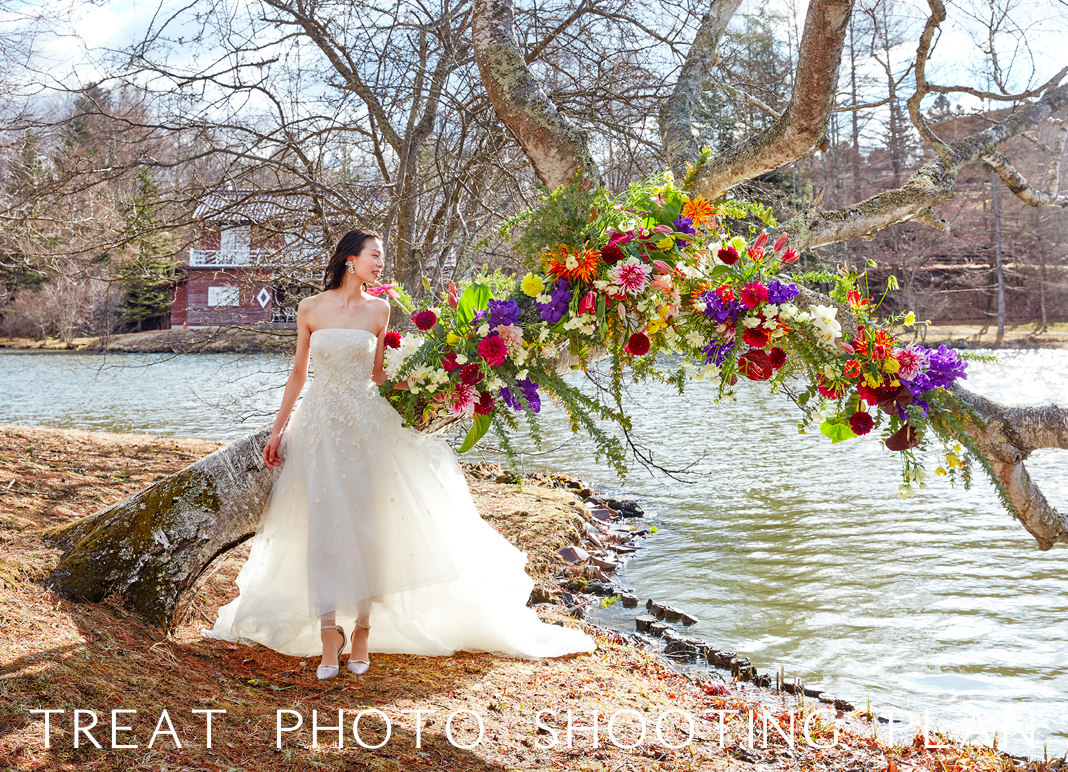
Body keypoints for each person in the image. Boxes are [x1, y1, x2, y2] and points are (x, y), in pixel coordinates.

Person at [202, 229, 596, 679]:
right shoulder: (310, 308)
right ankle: (330, 632)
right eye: (375, 255)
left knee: (369, 523)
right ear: (351, 259)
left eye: (383, 256)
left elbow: (379, 377)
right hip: (319, 426)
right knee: (322, 524)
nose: (381, 263)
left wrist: (439, 381)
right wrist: (277, 432)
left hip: (367, 426)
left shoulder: (379, 309)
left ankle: (363, 629)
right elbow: (297, 373)